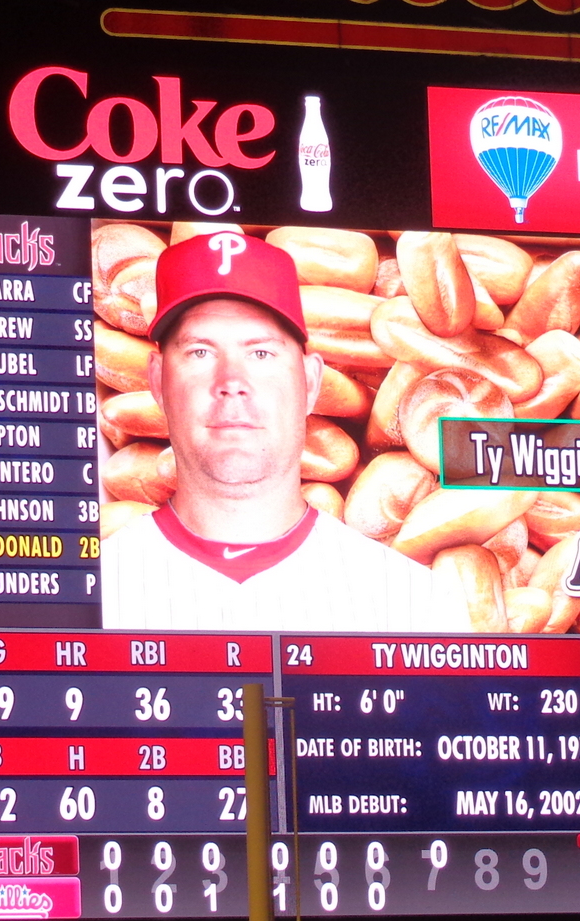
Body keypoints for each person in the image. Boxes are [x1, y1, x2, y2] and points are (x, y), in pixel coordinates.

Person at [102, 232, 470, 632]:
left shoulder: (419, 604)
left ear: (312, 382)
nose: (231, 381)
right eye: (200, 352)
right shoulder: (81, 599)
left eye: (261, 353)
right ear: (156, 382)